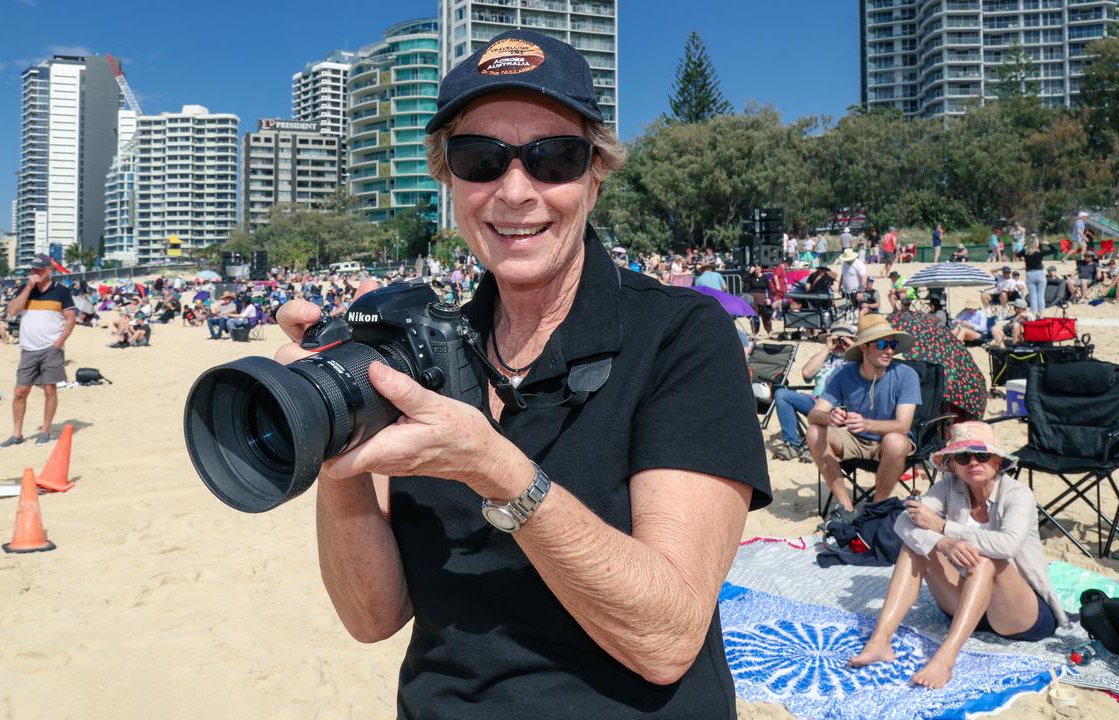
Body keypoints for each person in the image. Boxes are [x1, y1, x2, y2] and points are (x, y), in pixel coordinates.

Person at [268, 29, 771, 717]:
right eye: (479, 159)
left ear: (596, 174)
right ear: (448, 178)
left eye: (552, 158)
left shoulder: (680, 336)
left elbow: (667, 638)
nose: (514, 190)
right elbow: (373, 617)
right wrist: (333, 441)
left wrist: (496, 469)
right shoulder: (426, 352)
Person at [848, 422, 1067, 688]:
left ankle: (945, 660)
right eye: (964, 456)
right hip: (968, 605)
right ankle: (880, 640)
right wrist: (943, 544)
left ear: (998, 461)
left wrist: (943, 528)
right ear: (952, 463)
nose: (973, 462)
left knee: (986, 559)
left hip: (1020, 612)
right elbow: (904, 523)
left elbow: (1007, 545)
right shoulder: (950, 486)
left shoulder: (1018, 494)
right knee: (915, 546)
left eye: (982, 455)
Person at [806, 314, 920, 523]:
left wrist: (866, 423)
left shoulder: (906, 374)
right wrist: (829, 417)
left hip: (890, 442)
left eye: (893, 344)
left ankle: (875, 510)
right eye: (882, 344)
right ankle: (846, 507)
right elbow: (814, 415)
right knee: (815, 431)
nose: (889, 351)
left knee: (894, 441)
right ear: (864, 347)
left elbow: (903, 426)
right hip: (854, 440)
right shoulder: (843, 373)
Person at [0, 254, 75, 448]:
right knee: (20, 391)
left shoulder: (62, 291)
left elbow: (70, 318)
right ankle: (16, 434)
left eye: (39, 270)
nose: (35, 273)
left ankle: (45, 431)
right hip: (28, 348)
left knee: (50, 389)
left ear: (49, 271)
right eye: (33, 270)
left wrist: (59, 343)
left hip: (51, 348)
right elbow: (13, 310)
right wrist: (29, 287)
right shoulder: (25, 290)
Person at [771, 325, 855, 461]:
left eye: (844, 340)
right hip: (816, 401)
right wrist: (827, 348)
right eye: (837, 340)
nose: (840, 344)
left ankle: (814, 446)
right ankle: (792, 444)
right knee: (781, 394)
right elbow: (806, 373)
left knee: (824, 408)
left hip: (839, 407)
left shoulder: (857, 362)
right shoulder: (824, 357)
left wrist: (851, 349)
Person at [1017, 235, 1052, 317]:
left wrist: (1025, 247)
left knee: (1033, 296)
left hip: (1030, 274)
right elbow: (1053, 250)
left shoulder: (1026, 252)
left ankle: (1033, 313)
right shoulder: (1039, 252)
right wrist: (1048, 244)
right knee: (1041, 295)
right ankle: (1041, 314)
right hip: (1039, 273)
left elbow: (1018, 255)